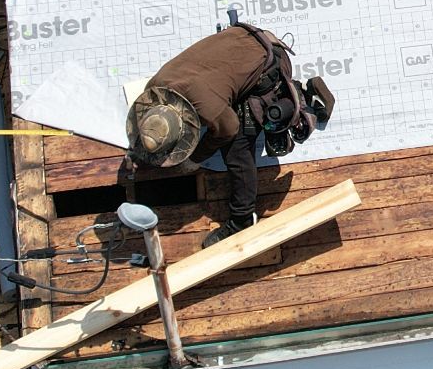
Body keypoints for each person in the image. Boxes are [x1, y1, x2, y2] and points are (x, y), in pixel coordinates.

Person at [117, 24, 334, 240]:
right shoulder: (156, 87)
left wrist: (196, 157)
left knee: (236, 147)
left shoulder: (208, 108)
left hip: (269, 63)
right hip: (244, 37)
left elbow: (228, 129)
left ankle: (242, 219)